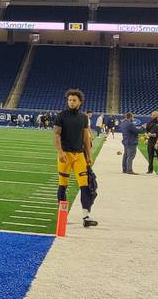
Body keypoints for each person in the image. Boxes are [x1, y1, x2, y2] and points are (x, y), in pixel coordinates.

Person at [54, 89, 98, 227]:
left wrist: (89, 156)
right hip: (65, 155)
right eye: (69, 100)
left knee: (85, 186)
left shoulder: (84, 117)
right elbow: (56, 135)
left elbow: (86, 137)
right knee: (63, 185)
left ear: (79, 102)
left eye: (74, 100)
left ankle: (86, 217)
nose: (71, 102)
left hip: (79, 155)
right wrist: (60, 152)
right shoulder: (61, 116)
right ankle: (62, 216)